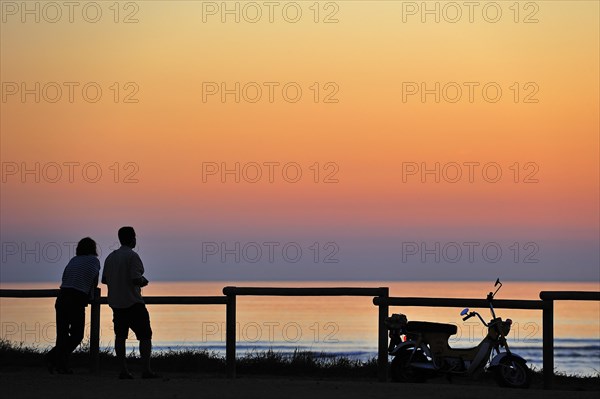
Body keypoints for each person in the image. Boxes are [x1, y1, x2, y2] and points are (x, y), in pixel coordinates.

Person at [102, 226, 159, 379]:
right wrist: (143, 281)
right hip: (133, 303)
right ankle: (146, 370)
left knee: (120, 337)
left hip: (116, 304)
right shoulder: (133, 256)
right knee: (145, 336)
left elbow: (104, 280)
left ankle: (123, 370)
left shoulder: (110, 257)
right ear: (132, 238)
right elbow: (135, 278)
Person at [46, 237, 100, 374]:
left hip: (62, 296)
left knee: (62, 334)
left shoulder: (73, 260)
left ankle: (58, 362)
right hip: (77, 299)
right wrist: (91, 297)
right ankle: (54, 358)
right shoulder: (94, 261)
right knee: (77, 335)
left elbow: (65, 278)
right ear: (93, 248)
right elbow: (94, 282)